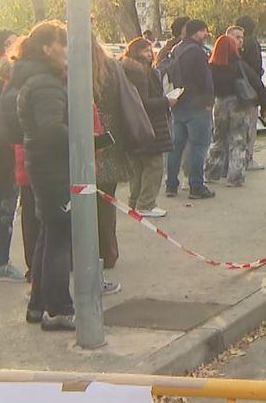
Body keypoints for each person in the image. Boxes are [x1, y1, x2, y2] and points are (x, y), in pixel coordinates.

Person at [13, 21, 75, 330]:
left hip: (42, 165)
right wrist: (84, 139)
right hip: (53, 168)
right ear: (48, 48)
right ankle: (59, 309)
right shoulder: (47, 84)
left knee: (47, 236)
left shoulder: (34, 79)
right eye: (63, 43)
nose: (68, 50)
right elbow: (52, 129)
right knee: (59, 239)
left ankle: (38, 305)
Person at [118, 38, 170, 218]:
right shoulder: (139, 72)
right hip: (148, 124)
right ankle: (146, 204)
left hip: (132, 125)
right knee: (154, 164)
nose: (150, 54)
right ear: (135, 52)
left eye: (150, 50)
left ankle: (135, 203)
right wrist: (166, 102)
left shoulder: (124, 69)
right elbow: (143, 102)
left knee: (138, 166)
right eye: (145, 50)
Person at [90, 35, 127, 290]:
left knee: (85, 203)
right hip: (111, 138)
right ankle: (109, 252)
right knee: (106, 201)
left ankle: (88, 253)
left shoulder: (71, 68)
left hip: (91, 138)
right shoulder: (111, 66)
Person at [205, 35, 266, 187]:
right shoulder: (239, 65)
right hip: (238, 104)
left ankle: (211, 173)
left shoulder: (211, 66)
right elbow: (257, 83)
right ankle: (235, 177)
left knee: (218, 139)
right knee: (238, 141)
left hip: (219, 104)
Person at [165, 19, 216, 200]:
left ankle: (171, 185)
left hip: (179, 103)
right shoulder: (198, 52)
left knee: (176, 147)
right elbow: (205, 79)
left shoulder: (176, 49)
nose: (205, 35)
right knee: (198, 147)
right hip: (197, 104)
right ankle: (196, 186)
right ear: (197, 32)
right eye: (203, 31)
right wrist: (209, 101)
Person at [0, 29, 24, 281]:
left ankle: (1, 261)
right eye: (7, 43)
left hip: (7, 155)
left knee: (5, 211)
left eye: (15, 43)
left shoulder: (16, 76)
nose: (11, 48)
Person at [234, 16, 265, 171]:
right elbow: (255, 68)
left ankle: (235, 159)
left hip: (235, 92)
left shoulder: (230, 44)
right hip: (249, 90)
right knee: (250, 126)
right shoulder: (252, 43)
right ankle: (248, 158)